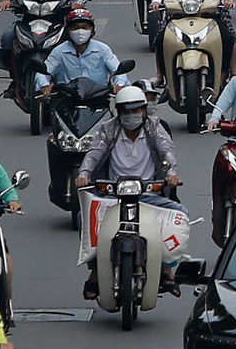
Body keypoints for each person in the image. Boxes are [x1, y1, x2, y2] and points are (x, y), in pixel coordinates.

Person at [73, 86, 185, 293]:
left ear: (144, 111)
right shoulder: (109, 128)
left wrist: (171, 174)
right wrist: (84, 174)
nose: (131, 115)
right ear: (119, 112)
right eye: (126, 111)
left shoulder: (155, 127)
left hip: (149, 194)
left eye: (136, 110)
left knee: (179, 214)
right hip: (112, 195)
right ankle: (96, 271)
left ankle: (167, 270)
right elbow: (94, 153)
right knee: (83, 217)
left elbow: (167, 152)